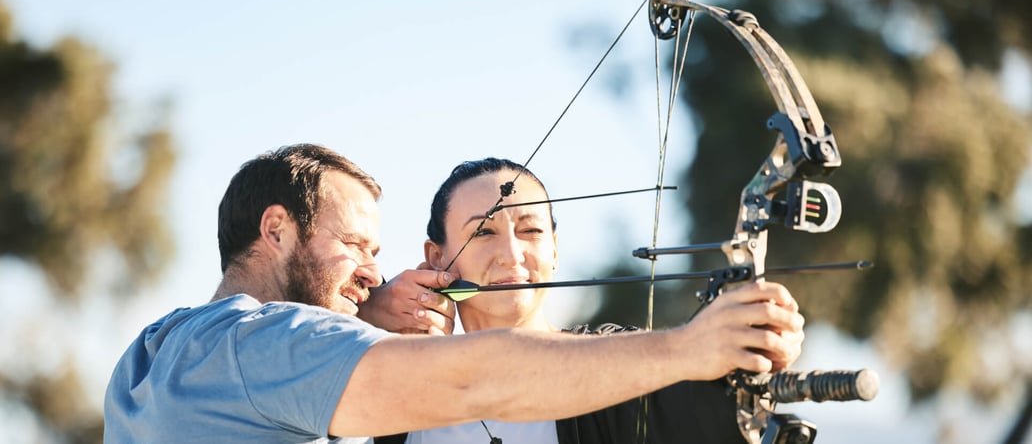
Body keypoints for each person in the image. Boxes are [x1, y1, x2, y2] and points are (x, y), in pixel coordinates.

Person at [103, 144, 805, 443]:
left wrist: (743, 354)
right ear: (277, 230)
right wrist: (689, 345)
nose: (374, 275)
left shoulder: (156, 352)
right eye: (356, 247)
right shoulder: (266, 345)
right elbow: (475, 379)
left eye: (532, 230)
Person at [385, 157, 804, 444]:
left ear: (554, 250)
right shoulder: (390, 381)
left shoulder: (620, 363)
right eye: (483, 232)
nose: (513, 254)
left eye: (531, 232)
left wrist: (754, 342)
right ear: (436, 258)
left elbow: (712, 413)